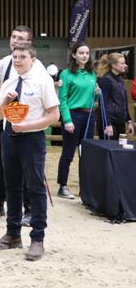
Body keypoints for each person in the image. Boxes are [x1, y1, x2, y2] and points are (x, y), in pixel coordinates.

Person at [0, 44, 60, 262]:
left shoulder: (42, 80)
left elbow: (54, 115)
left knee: (35, 187)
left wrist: (27, 127)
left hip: (32, 139)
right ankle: (12, 234)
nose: (18, 60)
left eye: (22, 57)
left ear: (32, 58)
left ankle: (37, 239)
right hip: (8, 137)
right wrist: (6, 102)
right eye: (15, 56)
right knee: (12, 187)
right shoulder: (9, 80)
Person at [0, 26, 44, 224]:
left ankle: (29, 210)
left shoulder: (38, 69)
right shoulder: (6, 62)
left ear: (29, 44)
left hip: (27, 125)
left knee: (28, 169)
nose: (14, 40)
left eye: (19, 38)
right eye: (12, 36)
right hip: (3, 121)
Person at [55, 42, 98, 200]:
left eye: (87, 53)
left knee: (86, 154)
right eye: (81, 53)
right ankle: (63, 186)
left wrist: (98, 93)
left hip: (89, 116)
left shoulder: (92, 74)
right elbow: (63, 99)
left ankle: (85, 187)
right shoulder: (66, 74)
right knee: (68, 153)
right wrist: (67, 119)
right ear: (74, 55)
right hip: (73, 116)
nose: (85, 56)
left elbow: (94, 96)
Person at [96, 53, 134, 140]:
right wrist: (107, 124)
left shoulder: (120, 80)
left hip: (120, 122)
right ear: (113, 65)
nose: (125, 65)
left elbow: (124, 102)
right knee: (108, 151)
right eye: (122, 63)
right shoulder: (105, 80)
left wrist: (129, 121)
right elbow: (102, 104)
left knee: (119, 150)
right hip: (109, 123)